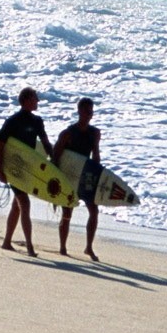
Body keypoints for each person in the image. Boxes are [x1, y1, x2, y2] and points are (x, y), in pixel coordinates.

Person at [0, 87, 52, 257]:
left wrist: (53, 163)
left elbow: (46, 142)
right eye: (35, 98)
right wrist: (0, 170)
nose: (38, 101)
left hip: (27, 169)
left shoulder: (37, 121)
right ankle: (29, 247)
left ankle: (6, 242)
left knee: (17, 205)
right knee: (24, 204)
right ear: (26, 100)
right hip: (13, 169)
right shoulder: (13, 121)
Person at [53, 96, 103, 261]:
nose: (90, 115)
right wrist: (56, 181)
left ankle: (88, 247)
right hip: (69, 176)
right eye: (87, 111)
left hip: (86, 176)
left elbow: (96, 157)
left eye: (91, 112)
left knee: (94, 211)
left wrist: (96, 146)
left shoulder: (94, 133)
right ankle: (62, 247)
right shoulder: (68, 134)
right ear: (79, 111)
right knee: (67, 212)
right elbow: (56, 158)